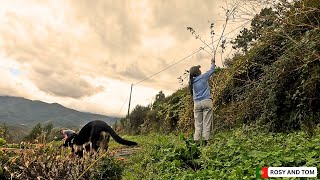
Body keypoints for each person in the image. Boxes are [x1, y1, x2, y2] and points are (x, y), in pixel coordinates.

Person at [189, 58, 215, 145]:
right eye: (199, 69)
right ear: (197, 72)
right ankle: (206, 141)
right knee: (206, 123)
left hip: (196, 104)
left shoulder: (191, 82)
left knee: (198, 124)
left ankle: (196, 142)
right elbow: (212, 70)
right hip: (206, 101)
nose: (200, 70)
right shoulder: (203, 76)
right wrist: (212, 62)